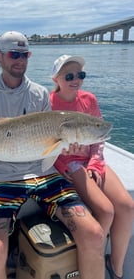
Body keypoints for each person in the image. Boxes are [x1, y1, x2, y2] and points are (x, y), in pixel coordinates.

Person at [0, 31, 106, 279]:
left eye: (25, 54)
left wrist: (65, 146)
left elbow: (48, 145)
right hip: (3, 177)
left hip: (44, 173)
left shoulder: (39, 93)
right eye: (14, 54)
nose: (20, 60)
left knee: (94, 233)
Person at [50, 54, 134, 279]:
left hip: (91, 160)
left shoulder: (89, 99)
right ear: (55, 79)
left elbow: (99, 137)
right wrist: (59, 162)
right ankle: (92, 259)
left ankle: (115, 268)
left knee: (127, 206)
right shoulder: (47, 104)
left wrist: (96, 164)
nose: (76, 79)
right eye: (69, 75)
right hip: (70, 164)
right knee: (106, 211)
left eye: (80, 75)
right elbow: (46, 143)